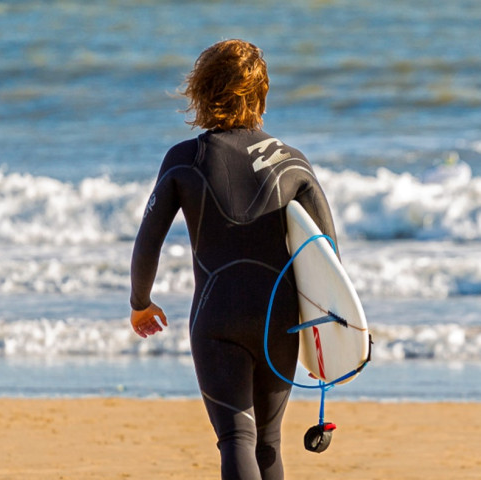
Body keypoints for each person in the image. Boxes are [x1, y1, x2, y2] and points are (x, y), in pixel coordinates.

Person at [128, 39, 338, 480]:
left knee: (235, 440)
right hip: (279, 322)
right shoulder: (293, 163)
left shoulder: (185, 160)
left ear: (202, 92)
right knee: (268, 443)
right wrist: (335, 334)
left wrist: (140, 302)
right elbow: (329, 260)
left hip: (216, 318)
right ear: (260, 95)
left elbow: (149, 240)